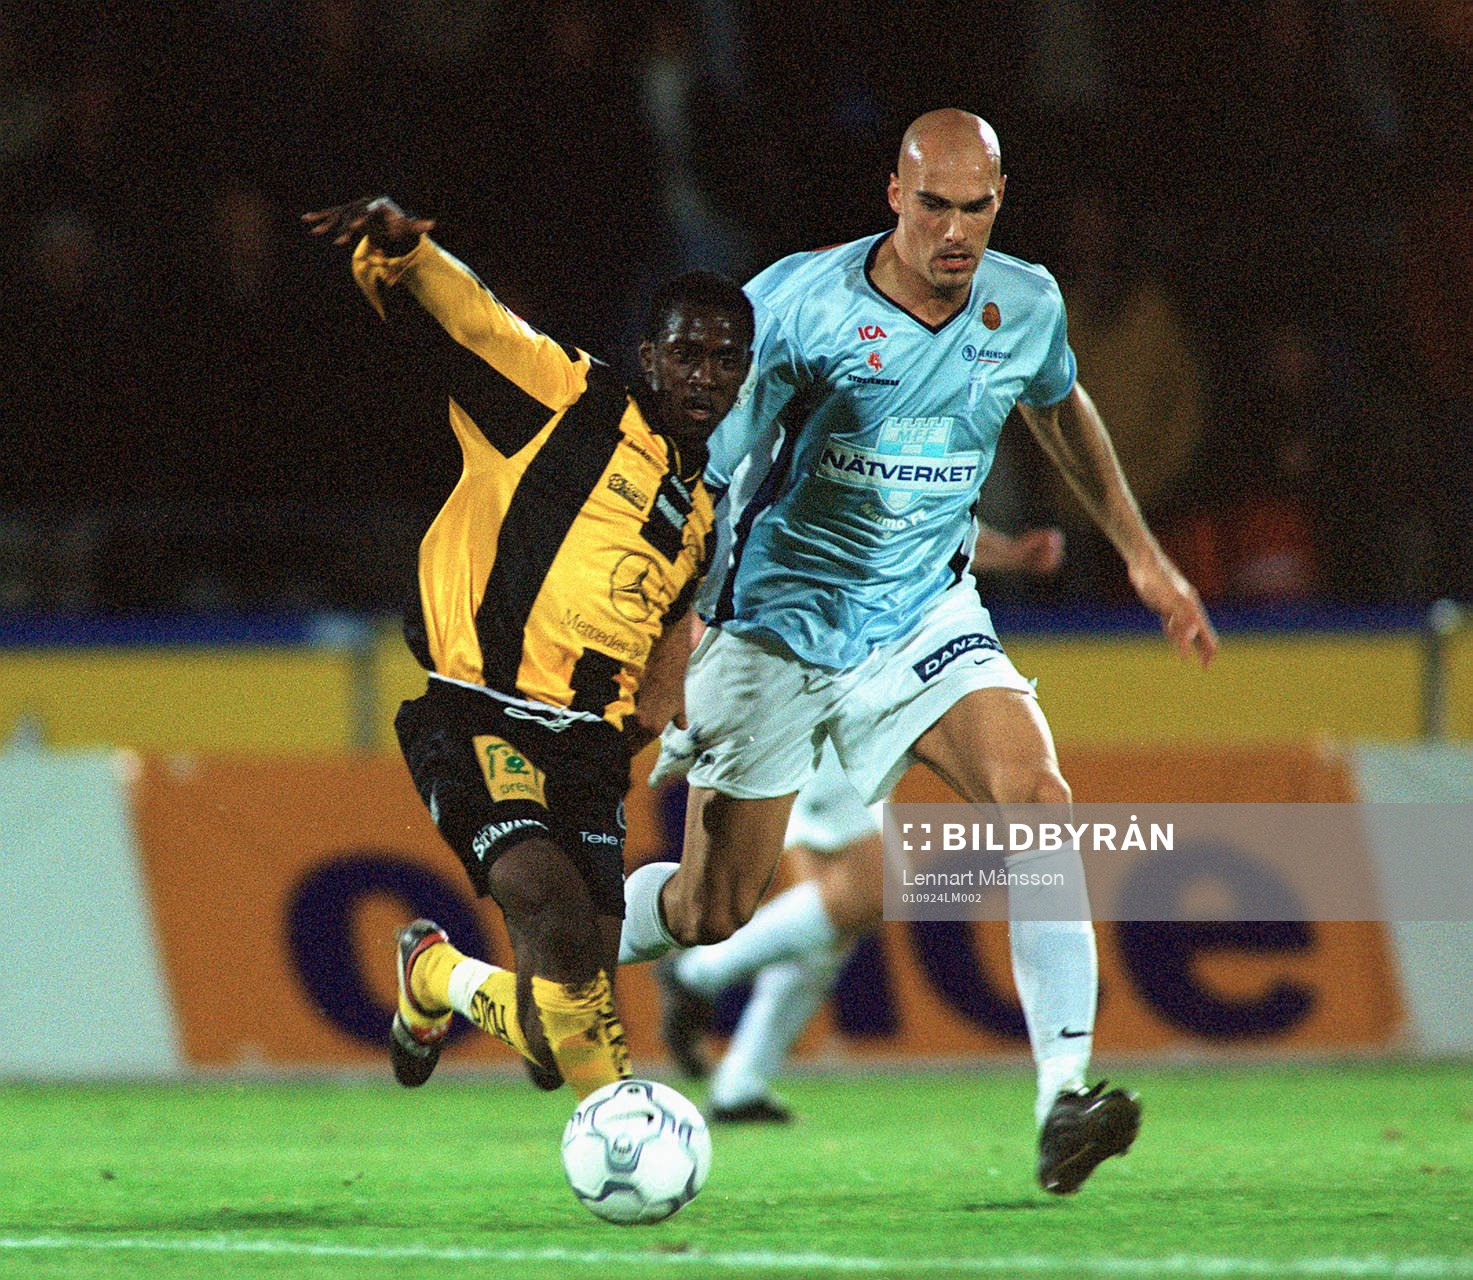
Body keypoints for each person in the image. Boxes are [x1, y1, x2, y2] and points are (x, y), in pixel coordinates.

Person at [614, 109, 1217, 1195]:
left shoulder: (1022, 302)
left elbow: (1061, 404)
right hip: (778, 628)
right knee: (713, 906)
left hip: (923, 617)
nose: (953, 230)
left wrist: (1142, 554)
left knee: (1036, 797)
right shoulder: (798, 307)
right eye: (932, 204)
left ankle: (1063, 1097)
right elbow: (705, 471)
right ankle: (528, 953)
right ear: (893, 193)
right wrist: (674, 622)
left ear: (999, 201)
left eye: (974, 208)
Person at [303, 195, 752, 1099]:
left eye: (723, 359)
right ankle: (623, 1126)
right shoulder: (566, 397)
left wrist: (652, 730)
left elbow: (671, 630)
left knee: (554, 1039)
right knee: (544, 904)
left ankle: (433, 975)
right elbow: (473, 320)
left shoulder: (703, 512)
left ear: (743, 374)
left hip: (586, 749)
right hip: (478, 710)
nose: (702, 376)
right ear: (648, 356)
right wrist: (401, 256)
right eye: (685, 354)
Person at [657, 525, 1065, 1123]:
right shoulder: (805, 444)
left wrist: (1007, 555)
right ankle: (696, 973)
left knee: (835, 907)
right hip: (815, 675)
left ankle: (741, 1079)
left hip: (868, 679)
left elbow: (920, 521)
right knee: (871, 890)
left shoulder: (884, 456)